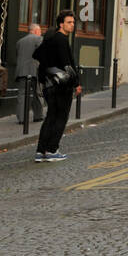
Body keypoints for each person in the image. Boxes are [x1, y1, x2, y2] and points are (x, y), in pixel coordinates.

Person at [33, 10, 77, 162]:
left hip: (48, 83)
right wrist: (76, 83)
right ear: (61, 24)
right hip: (61, 85)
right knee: (60, 117)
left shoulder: (49, 38)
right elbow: (67, 64)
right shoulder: (61, 39)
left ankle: (41, 151)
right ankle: (52, 150)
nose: (72, 25)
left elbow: (37, 55)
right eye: (69, 22)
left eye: (73, 22)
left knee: (50, 117)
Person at [14, 24, 44, 125]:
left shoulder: (19, 41)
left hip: (21, 71)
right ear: (35, 31)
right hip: (34, 71)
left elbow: (18, 56)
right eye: (40, 31)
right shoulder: (39, 39)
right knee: (37, 93)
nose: (41, 33)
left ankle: (21, 119)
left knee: (22, 94)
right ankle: (38, 116)